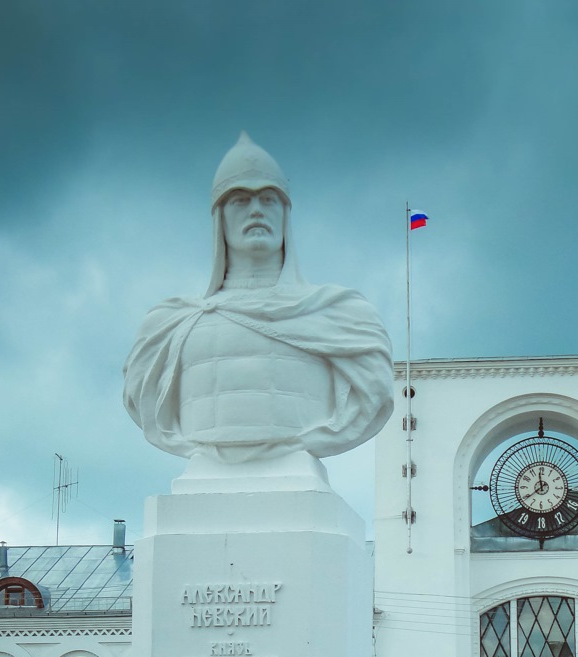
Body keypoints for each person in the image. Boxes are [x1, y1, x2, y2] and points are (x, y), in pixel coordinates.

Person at [123, 132, 393, 469]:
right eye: (239, 199)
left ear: (284, 213)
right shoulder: (169, 323)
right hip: (202, 474)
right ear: (219, 216)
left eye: (268, 199)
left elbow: (377, 394)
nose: (255, 210)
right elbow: (140, 400)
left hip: (300, 476)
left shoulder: (341, 314)